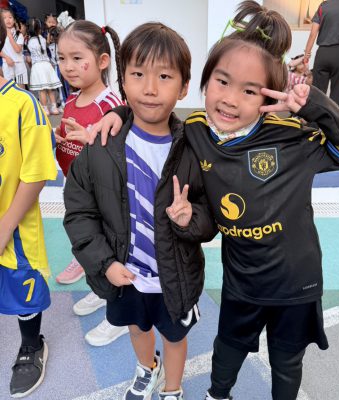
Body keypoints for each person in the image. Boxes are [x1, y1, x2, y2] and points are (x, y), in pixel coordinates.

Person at [96, 2, 339, 399]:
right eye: (222, 82)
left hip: (296, 283)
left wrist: (313, 104)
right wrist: (121, 115)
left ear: (269, 96)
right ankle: (217, 394)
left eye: (249, 91)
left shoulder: (290, 137)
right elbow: (155, 117)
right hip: (241, 281)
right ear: (205, 81)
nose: (229, 99)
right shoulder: (196, 130)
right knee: (227, 350)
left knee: (287, 361)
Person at [63, 22, 216, 400]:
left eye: (164, 76)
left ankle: (173, 388)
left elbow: (211, 215)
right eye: (137, 74)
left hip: (175, 277)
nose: (149, 88)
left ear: (183, 87)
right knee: (136, 327)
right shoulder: (102, 144)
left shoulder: (194, 149)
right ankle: (148, 368)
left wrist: (191, 219)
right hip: (125, 274)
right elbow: (80, 212)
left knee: (175, 336)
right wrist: (104, 263)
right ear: (123, 81)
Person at [54, 20, 128, 346]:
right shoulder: (72, 100)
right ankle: (101, 290)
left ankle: (120, 315)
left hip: (104, 197)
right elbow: (67, 144)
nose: (68, 66)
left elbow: (120, 156)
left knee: (111, 249)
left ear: (102, 61)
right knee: (92, 246)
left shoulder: (110, 106)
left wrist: (90, 141)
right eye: (61, 58)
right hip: (79, 192)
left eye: (76, 58)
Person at [0, 14, 57, 398]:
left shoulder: (22, 104)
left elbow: (36, 174)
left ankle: (31, 344)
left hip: (13, 227)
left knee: (23, 289)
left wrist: (5, 226)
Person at [27, 17, 62, 116]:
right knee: (50, 88)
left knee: (42, 90)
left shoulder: (30, 41)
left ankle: (45, 109)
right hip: (47, 65)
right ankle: (54, 108)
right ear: (39, 29)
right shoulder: (42, 39)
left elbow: (29, 57)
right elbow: (46, 45)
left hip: (38, 66)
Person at [0, 8, 28, 88]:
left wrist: (10, 37)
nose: (8, 20)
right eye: (4, 18)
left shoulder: (19, 34)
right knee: (9, 88)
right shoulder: (1, 34)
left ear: (14, 20)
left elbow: (18, 49)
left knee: (21, 88)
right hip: (7, 64)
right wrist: (7, 57)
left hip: (19, 64)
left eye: (10, 17)